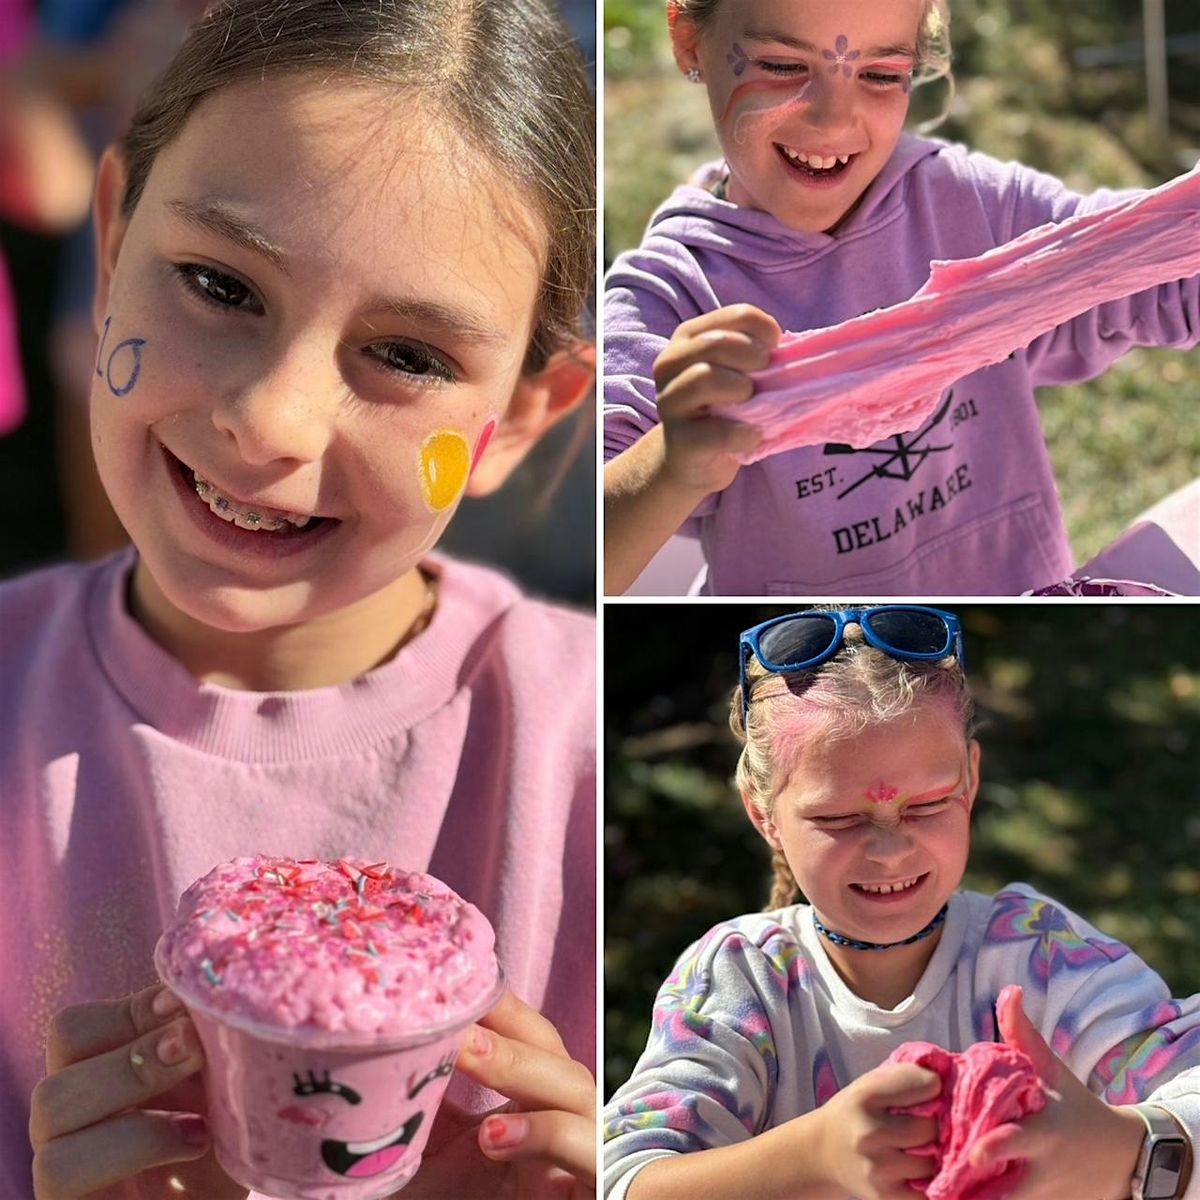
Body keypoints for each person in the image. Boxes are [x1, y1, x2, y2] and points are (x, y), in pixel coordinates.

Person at [0, 0, 598, 1196]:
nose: (270, 419)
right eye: (219, 284)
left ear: (520, 418)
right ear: (113, 244)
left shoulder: (585, 748)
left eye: (410, 356)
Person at [602, 0, 1200, 596]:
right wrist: (672, 462)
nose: (834, 120)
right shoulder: (672, 293)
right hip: (819, 644)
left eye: (882, 75)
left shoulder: (976, 207)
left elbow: (1162, 279)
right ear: (688, 40)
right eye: (782, 65)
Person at [603, 606, 1200, 1199]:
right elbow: (621, 1179)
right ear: (764, 815)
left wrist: (1128, 1147)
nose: (890, 850)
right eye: (839, 817)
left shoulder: (1043, 960)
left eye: (928, 805)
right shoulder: (744, 980)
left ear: (969, 782)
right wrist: (816, 1155)